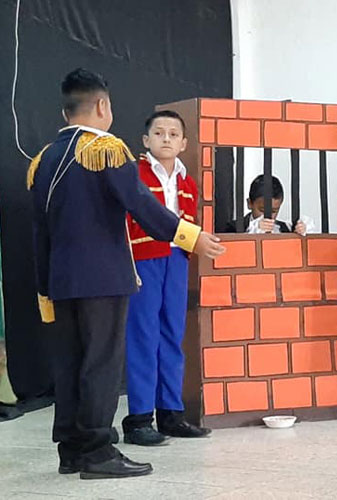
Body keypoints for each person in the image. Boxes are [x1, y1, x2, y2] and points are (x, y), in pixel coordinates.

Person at [28, 68, 225, 479]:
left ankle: (72, 449)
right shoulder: (106, 149)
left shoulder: (43, 159)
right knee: (100, 364)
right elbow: (140, 202)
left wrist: (44, 287)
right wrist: (189, 235)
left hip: (61, 280)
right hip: (103, 278)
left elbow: (39, 230)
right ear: (102, 106)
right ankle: (98, 452)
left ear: (65, 110)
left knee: (71, 363)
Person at [121, 110, 210, 446]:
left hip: (176, 259)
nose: (166, 139)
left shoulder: (188, 182)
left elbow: (188, 223)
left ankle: (171, 414)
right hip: (144, 259)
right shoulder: (134, 174)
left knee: (173, 334)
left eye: (174, 134)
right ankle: (139, 419)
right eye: (159, 133)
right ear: (146, 140)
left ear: (184, 143)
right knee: (143, 336)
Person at [225, 174, 309, 234]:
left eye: (274, 211)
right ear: (249, 203)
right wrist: (254, 232)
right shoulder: (232, 229)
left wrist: (300, 234)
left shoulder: (285, 229)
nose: (268, 216)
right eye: (262, 210)